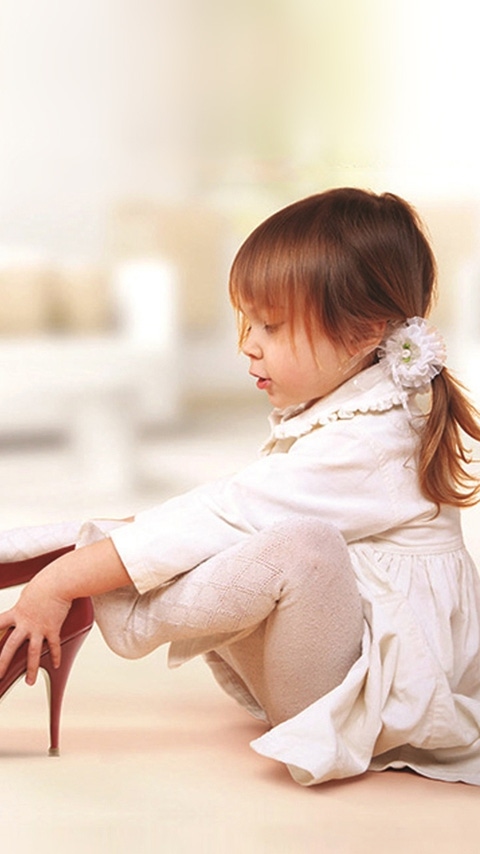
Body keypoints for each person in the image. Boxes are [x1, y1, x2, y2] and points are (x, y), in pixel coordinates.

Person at [1, 187, 480, 785]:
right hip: (330, 660)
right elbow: (220, 516)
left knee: (293, 544)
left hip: (378, 704)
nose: (247, 344)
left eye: (272, 325)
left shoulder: (373, 439)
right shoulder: (363, 402)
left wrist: (64, 580)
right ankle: (61, 560)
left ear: (364, 334)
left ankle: (82, 583)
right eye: (247, 320)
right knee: (205, 527)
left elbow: (223, 518)